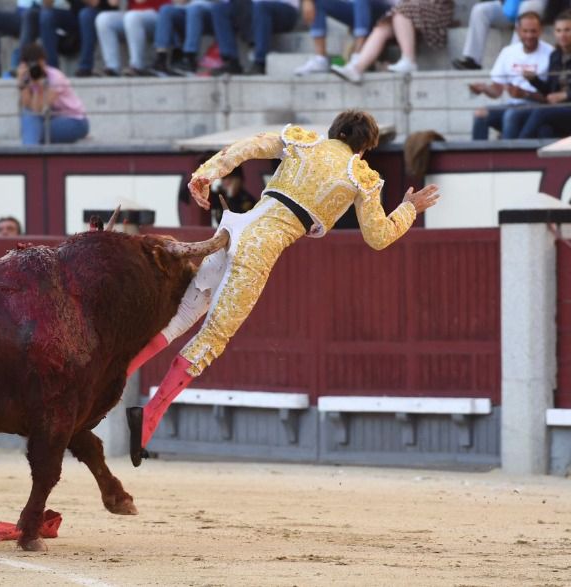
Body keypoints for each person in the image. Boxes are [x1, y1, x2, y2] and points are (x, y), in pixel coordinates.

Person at [125, 110, 440, 466]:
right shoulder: (358, 175)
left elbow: (250, 145)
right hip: (258, 249)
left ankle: (114, 377)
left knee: (183, 316)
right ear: (364, 149)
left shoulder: (303, 143)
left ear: (334, 131)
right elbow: (379, 237)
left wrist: (206, 173)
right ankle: (148, 418)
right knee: (211, 339)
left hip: (234, 229)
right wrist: (409, 209)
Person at [469, 11, 553, 140]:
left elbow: (551, 95)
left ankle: (508, 156)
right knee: (480, 114)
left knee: (511, 115)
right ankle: (477, 157)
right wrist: (484, 88)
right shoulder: (508, 52)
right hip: (512, 104)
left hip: (536, 107)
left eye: (533, 31)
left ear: (540, 30)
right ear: (518, 31)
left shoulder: (551, 53)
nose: (529, 35)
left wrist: (525, 94)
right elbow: (497, 91)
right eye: (525, 31)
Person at [331, 0, 454, 83]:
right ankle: (357, 68)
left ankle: (409, 60)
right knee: (382, 27)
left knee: (400, 12)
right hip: (408, 8)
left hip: (436, 6)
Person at [295, 0, 397, 75]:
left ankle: (357, 57)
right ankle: (320, 59)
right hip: (355, 8)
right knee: (317, 3)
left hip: (384, 8)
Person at [18, 42, 89, 144]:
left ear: (43, 61)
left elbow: (39, 109)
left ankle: (29, 156)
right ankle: (30, 155)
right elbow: (28, 106)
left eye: (36, 64)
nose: (34, 69)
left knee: (34, 130)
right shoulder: (29, 77)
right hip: (52, 118)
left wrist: (38, 87)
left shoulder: (55, 77)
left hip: (75, 121)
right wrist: (22, 83)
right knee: (28, 118)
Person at [517, 9, 571, 137]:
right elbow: (549, 92)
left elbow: (559, 95)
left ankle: (514, 150)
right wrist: (533, 79)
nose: (562, 35)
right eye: (558, 30)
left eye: (567, 30)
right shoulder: (555, 56)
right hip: (558, 108)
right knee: (544, 129)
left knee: (540, 112)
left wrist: (565, 95)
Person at [452, 0, 547, 71]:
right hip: (511, 4)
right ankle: (472, 60)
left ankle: (514, 60)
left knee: (526, 8)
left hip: (535, 4)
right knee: (480, 10)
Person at [95, 0, 168, 76]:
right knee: (103, 19)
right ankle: (111, 67)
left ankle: (137, 66)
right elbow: (113, 3)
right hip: (133, 15)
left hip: (159, 15)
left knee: (132, 17)